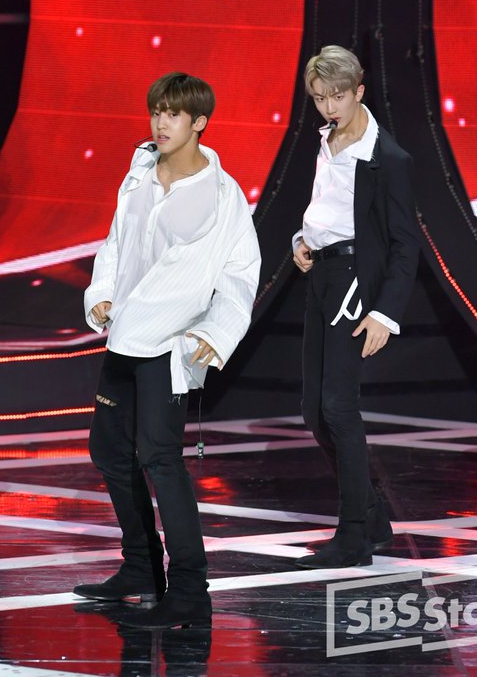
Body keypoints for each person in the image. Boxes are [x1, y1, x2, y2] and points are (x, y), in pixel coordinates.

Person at [76, 72, 261, 629]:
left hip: (169, 343)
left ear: (199, 122)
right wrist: (101, 292)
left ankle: (189, 590)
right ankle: (140, 568)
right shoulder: (139, 172)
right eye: (156, 111)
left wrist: (214, 332)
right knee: (110, 451)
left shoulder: (221, 194)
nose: (161, 122)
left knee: (160, 459)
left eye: (173, 113)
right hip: (124, 336)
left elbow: (240, 271)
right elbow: (116, 243)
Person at [290, 45, 421, 569]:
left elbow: (405, 243)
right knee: (313, 411)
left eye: (337, 96)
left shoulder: (387, 157)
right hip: (321, 275)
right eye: (320, 98)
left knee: (338, 408)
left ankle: (353, 536)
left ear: (359, 91)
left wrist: (384, 313)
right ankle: (371, 517)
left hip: (353, 284)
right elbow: (327, 210)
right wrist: (302, 241)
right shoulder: (326, 141)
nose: (329, 107)